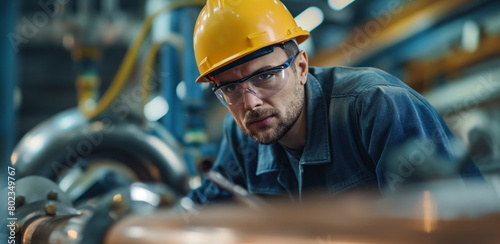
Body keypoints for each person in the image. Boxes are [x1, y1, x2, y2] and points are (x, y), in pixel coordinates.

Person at [187, 0, 484, 205]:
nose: (249, 102)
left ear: (301, 67)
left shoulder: (377, 107)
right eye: (230, 89)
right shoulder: (240, 136)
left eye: (265, 76)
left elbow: (445, 231)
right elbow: (208, 210)